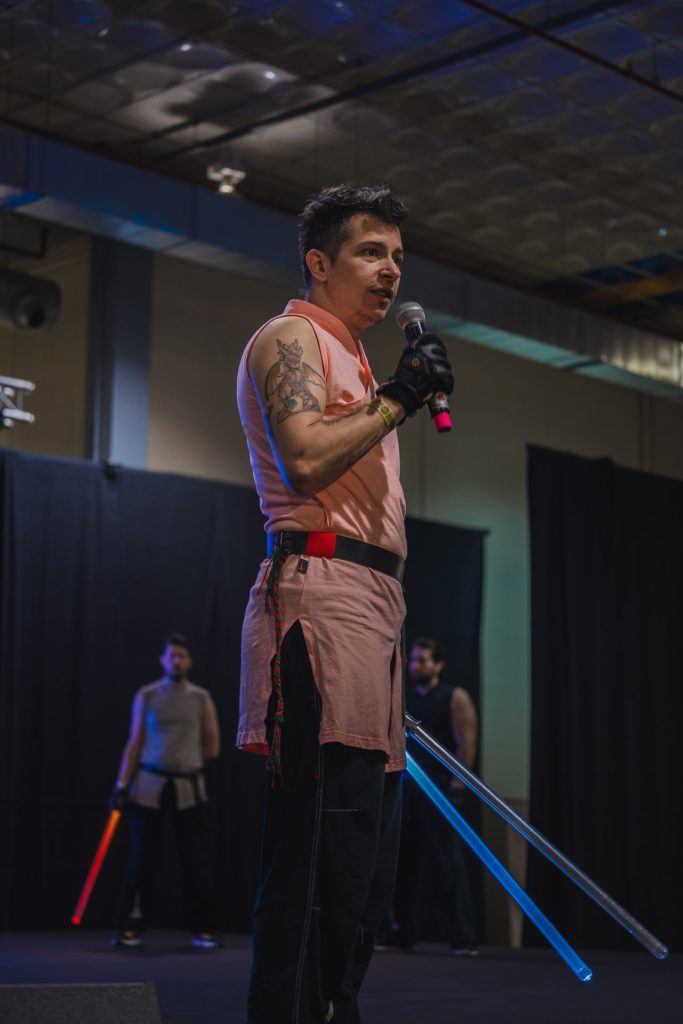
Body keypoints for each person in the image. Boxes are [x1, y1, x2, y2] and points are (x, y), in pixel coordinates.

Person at [236, 184, 454, 1023]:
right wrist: (399, 397)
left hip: (372, 606)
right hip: (320, 597)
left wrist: (389, 392)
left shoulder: (357, 360)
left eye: (397, 256)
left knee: (362, 862)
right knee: (318, 854)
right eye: (370, 252)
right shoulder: (291, 336)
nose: (390, 269)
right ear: (318, 262)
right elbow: (302, 458)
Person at [110, 632, 222, 949]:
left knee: (195, 860)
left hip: (188, 787)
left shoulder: (200, 698)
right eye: (171, 655)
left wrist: (184, 760)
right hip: (148, 786)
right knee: (142, 857)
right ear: (162, 660)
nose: (176, 661)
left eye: (181, 656)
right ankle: (132, 925)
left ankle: (203, 929)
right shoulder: (146, 695)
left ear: (190, 661)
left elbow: (212, 747)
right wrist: (121, 784)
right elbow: (134, 743)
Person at [388, 637, 479, 955]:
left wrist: (458, 784)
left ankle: (462, 937)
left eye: (423, 660)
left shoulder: (454, 696)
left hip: (440, 790)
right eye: (413, 660)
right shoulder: (405, 698)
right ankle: (402, 932)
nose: (416, 666)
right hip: (407, 787)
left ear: (438, 664)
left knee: (446, 864)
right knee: (402, 863)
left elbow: (466, 741)